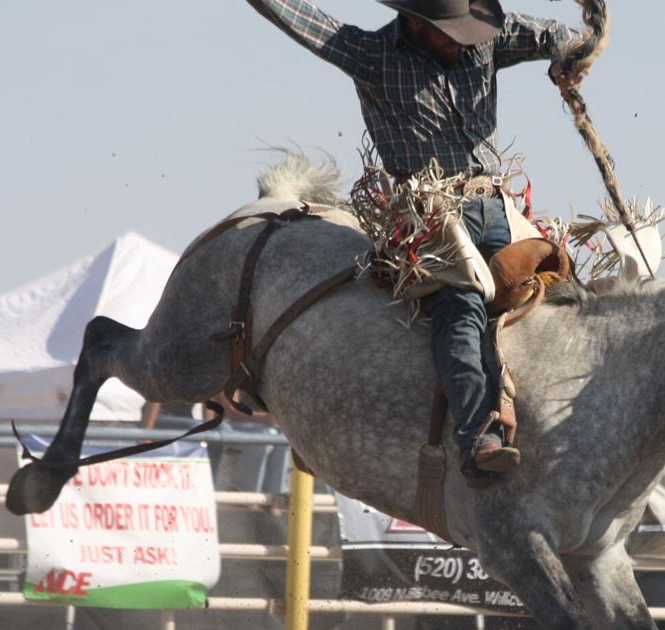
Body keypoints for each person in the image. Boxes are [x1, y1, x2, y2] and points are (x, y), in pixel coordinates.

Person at [246, 0, 581, 485]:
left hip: (496, 206)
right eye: (449, 31)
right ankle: (477, 436)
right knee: (460, 306)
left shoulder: (485, 40)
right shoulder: (371, 54)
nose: (459, 40)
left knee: (560, 289)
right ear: (415, 23)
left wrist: (568, 56)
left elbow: (558, 34)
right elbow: (300, 19)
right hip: (429, 215)